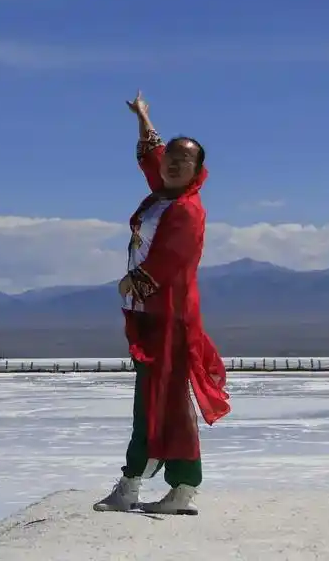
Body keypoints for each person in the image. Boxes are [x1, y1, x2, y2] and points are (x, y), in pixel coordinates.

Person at [93, 90, 231, 515]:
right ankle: (147, 480)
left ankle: (167, 483)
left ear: (198, 169)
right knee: (154, 399)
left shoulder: (187, 212)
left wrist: (135, 282)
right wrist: (143, 118)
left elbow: (173, 258)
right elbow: (153, 158)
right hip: (150, 317)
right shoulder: (163, 195)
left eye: (183, 159)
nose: (171, 162)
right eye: (170, 156)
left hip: (169, 317)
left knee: (163, 401)